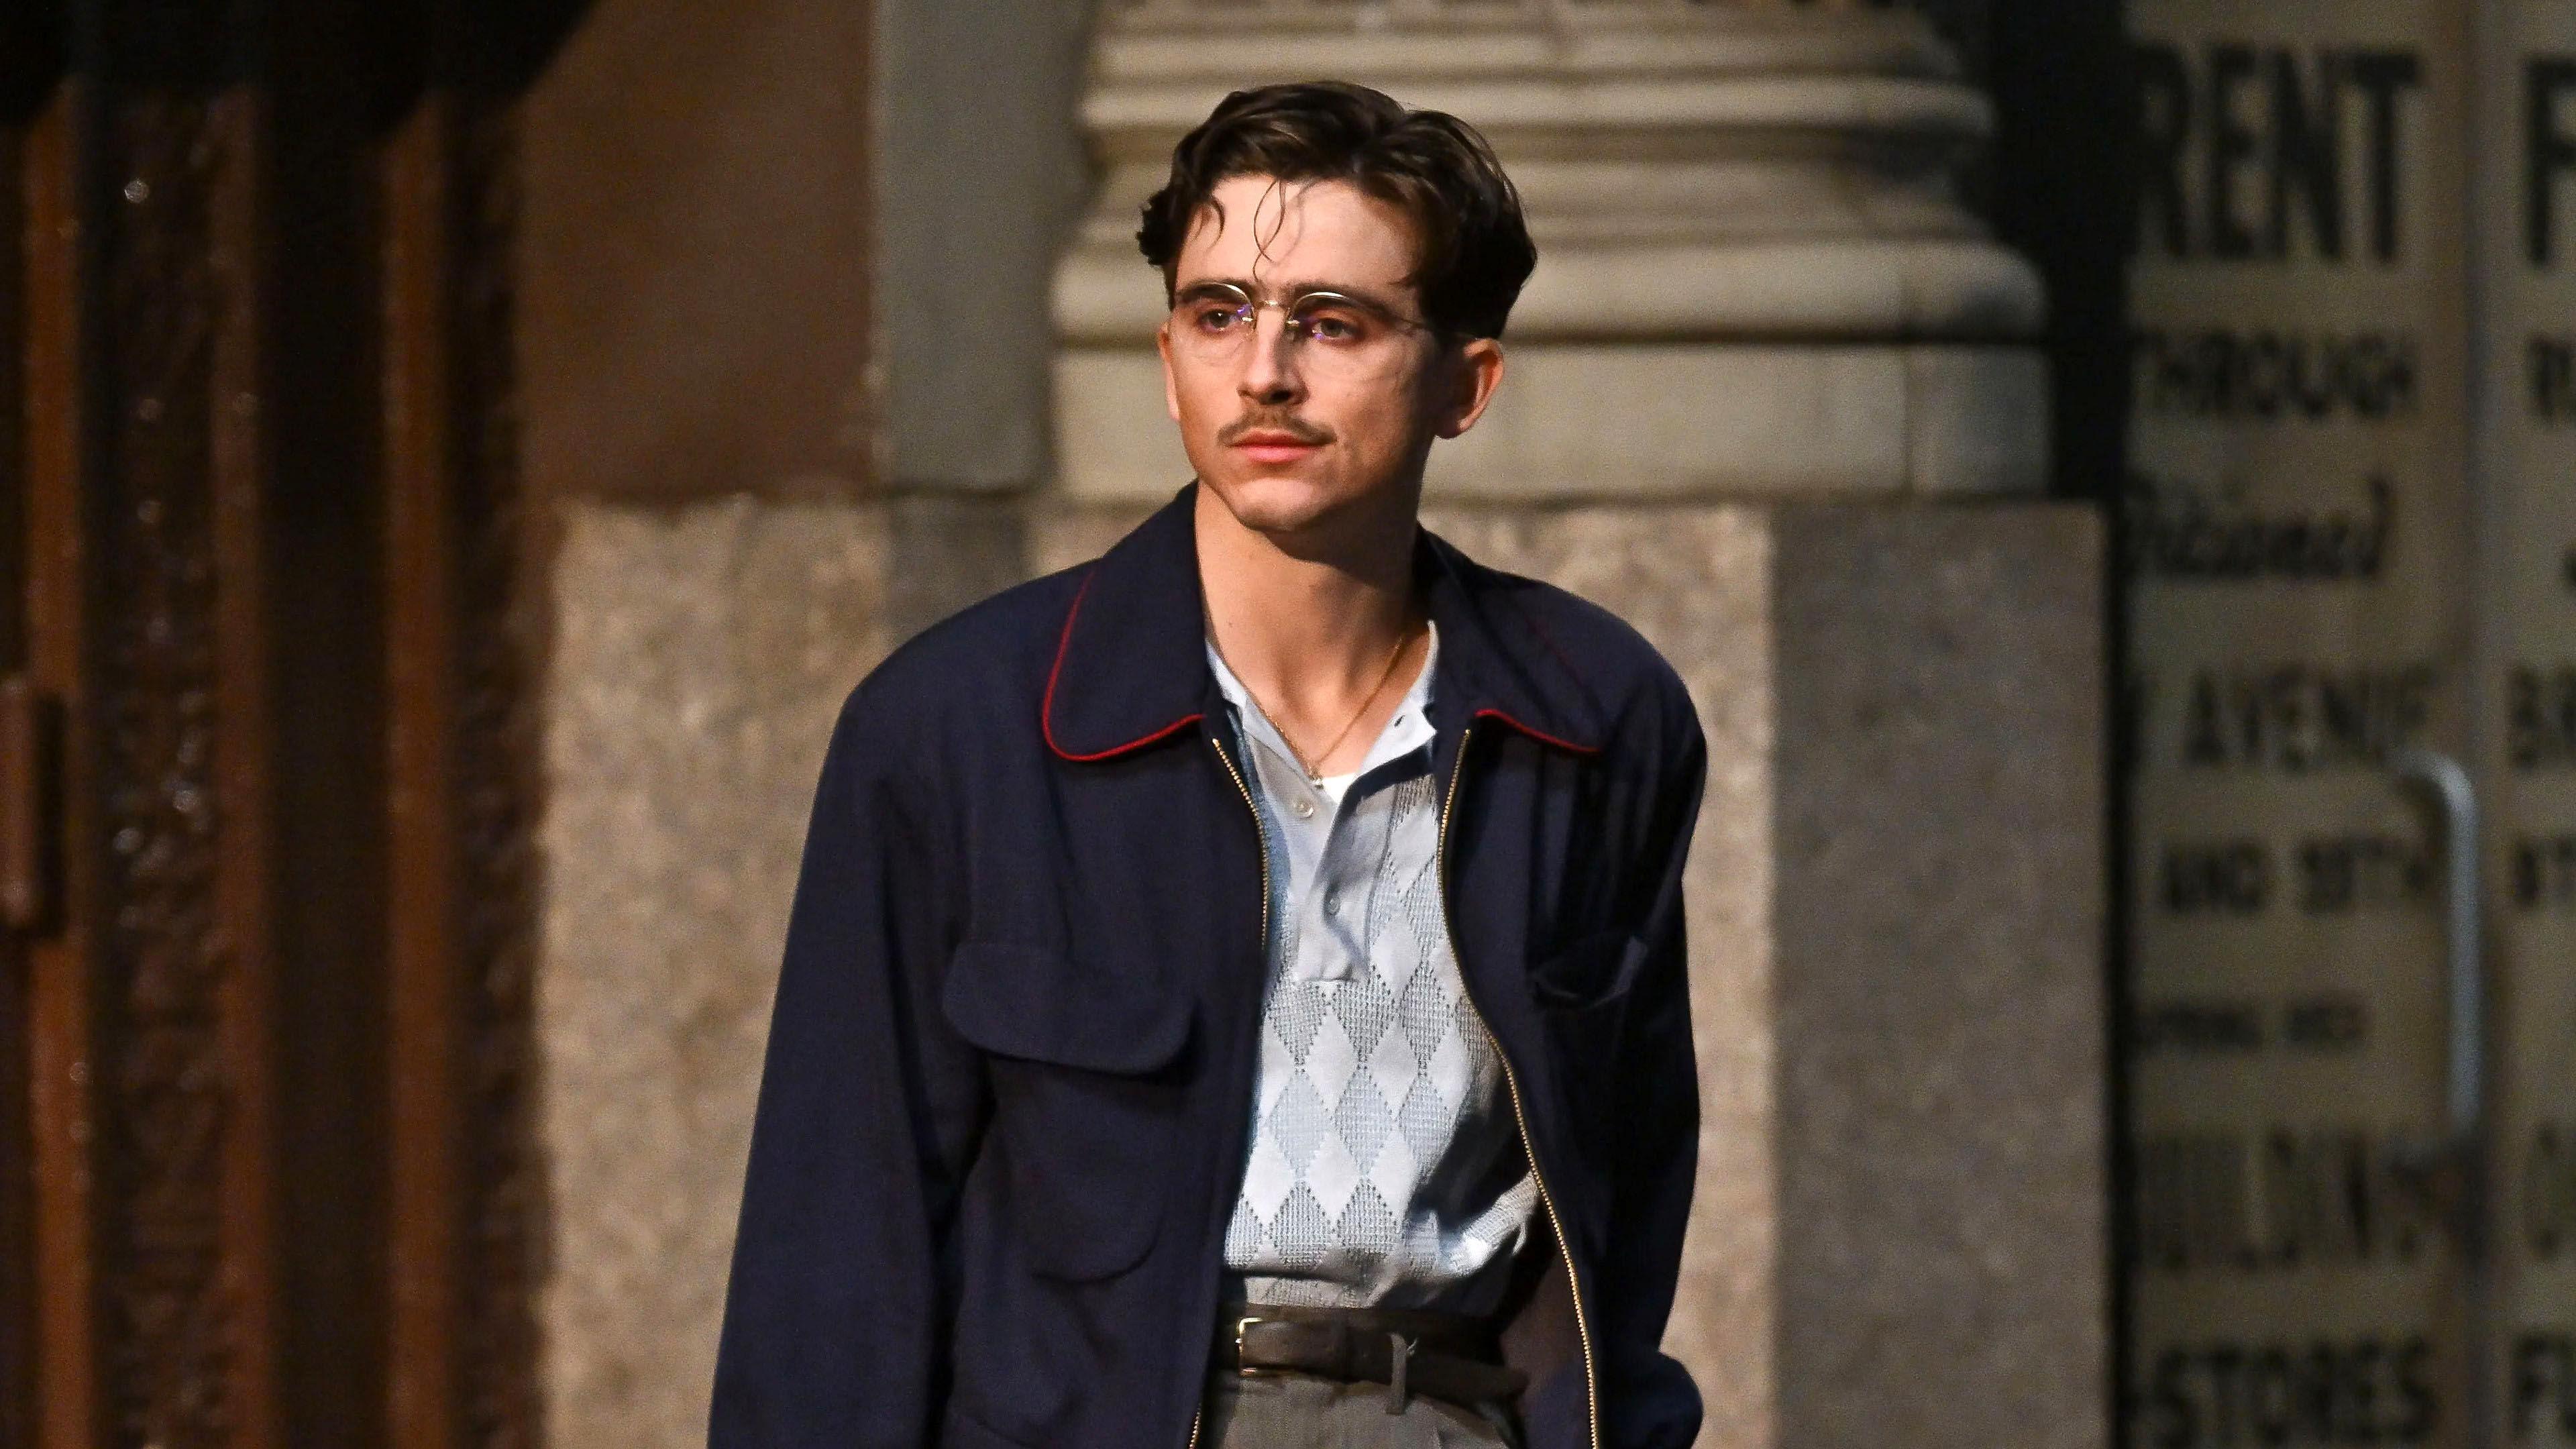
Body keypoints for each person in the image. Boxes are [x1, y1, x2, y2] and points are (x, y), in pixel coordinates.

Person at [708, 80, 1707, 1449]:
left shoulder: (1593, 719)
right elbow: (836, 1249)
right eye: (1220, 312)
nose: (1265, 374)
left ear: (1464, 385)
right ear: (1169, 353)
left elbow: (1628, 1199)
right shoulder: (958, 727)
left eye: (1334, 323)